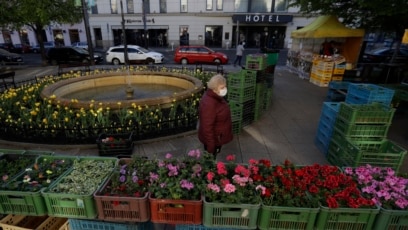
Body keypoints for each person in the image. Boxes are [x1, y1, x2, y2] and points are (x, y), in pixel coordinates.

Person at [198, 74, 233, 157]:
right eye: (222, 88)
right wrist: (211, 147)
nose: (224, 89)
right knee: (210, 160)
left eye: (225, 87)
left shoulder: (216, 97)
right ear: (214, 88)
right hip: (214, 139)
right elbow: (207, 127)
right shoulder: (209, 103)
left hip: (217, 137)